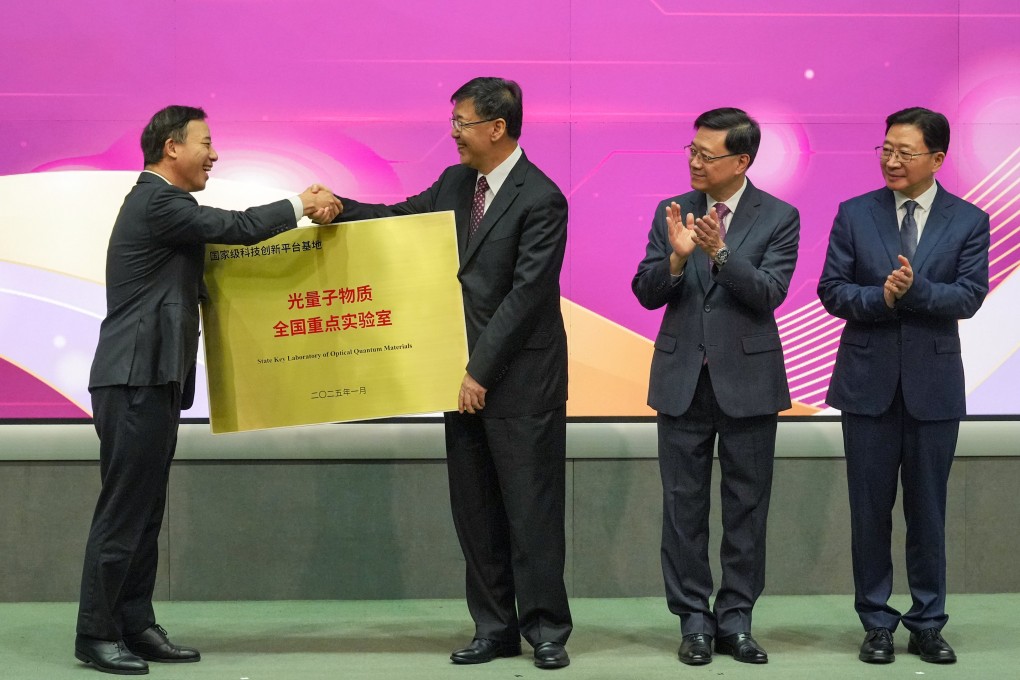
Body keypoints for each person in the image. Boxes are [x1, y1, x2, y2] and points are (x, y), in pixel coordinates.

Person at [75, 105, 341, 675]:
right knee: (124, 512)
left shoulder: (166, 208)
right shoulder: (159, 201)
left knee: (145, 512)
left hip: (155, 377)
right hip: (133, 378)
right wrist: (299, 204)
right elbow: (238, 229)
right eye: (206, 142)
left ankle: (134, 624)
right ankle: (95, 632)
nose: (214, 154)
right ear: (172, 148)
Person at [327, 77, 571, 669]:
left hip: (519, 381)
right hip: (456, 374)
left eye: (461, 122)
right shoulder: (458, 183)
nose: (453, 132)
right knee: (476, 510)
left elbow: (526, 297)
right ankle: (493, 627)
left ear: (497, 127)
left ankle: (546, 630)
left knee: (530, 510)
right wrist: (341, 208)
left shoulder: (543, 198)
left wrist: (479, 371)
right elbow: (401, 221)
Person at [818, 107, 989, 665]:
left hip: (933, 387)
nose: (892, 160)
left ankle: (928, 621)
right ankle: (875, 621)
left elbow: (968, 296)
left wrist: (914, 291)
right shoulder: (853, 213)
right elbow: (833, 290)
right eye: (886, 149)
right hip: (866, 385)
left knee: (928, 510)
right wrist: (883, 298)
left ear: (937, 159)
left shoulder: (968, 220)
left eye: (905, 152)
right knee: (868, 511)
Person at [632, 108, 799, 666]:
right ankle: (694, 622)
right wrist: (678, 258)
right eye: (692, 151)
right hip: (683, 379)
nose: (695, 162)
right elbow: (646, 290)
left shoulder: (779, 216)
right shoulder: (670, 211)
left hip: (748, 381)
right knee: (683, 508)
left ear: (742, 160)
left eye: (708, 154)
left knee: (747, 506)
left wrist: (720, 253)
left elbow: (769, 293)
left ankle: (737, 620)